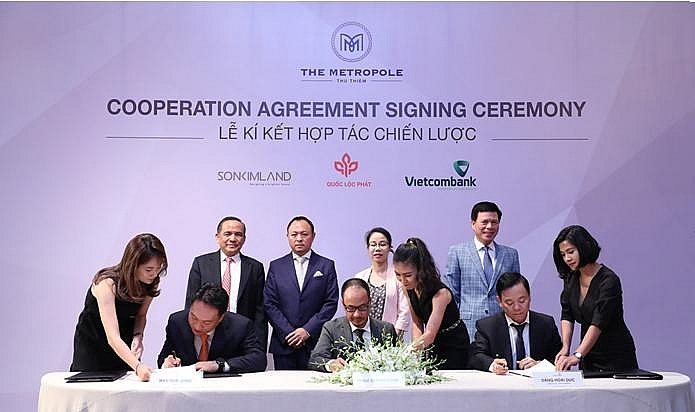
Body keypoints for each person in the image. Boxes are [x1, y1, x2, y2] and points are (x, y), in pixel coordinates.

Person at [70, 233, 167, 381]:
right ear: (133, 265)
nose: (154, 274)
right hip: (95, 342)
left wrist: (138, 337)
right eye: (148, 269)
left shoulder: (151, 282)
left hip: (123, 344)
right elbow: (112, 337)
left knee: (126, 385)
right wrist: (138, 366)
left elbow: (141, 315)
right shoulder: (106, 283)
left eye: (158, 268)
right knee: (93, 386)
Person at [553, 225, 638, 372]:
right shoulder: (571, 278)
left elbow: (598, 322)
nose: (567, 258)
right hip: (588, 353)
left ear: (584, 247)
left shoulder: (609, 280)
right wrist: (565, 347)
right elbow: (567, 314)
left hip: (615, 355)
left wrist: (578, 354)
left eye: (571, 252)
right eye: (563, 254)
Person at [264, 216, 339, 370]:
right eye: (294, 234)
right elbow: (269, 303)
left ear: (313, 236)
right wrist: (289, 332)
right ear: (287, 236)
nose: (299, 238)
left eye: (304, 234)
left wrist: (307, 330)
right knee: (284, 385)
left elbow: (330, 303)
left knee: (316, 385)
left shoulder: (326, 265)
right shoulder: (276, 266)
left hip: (315, 343)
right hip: (284, 343)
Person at [184, 216, 267, 348]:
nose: (233, 239)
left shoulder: (255, 267)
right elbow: (191, 302)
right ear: (217, 237)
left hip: (242, 337)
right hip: (207, 336)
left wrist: (259, 346)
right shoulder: (201, 263)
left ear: (244, 239)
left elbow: (260, 311)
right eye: (227, 234)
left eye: (238, 234)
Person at [445, 201, 521, 339]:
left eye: (494, 222)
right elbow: (452, 295)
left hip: (502, 326)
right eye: (484, 222)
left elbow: (515, 293)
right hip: (468, 328)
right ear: (473, 224)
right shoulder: (457, 252)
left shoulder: (510, 254)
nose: (489, 226)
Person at [394, 237, 470, 369]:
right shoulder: (407, 288)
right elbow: (417, 323)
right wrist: (417, 352)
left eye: (408, 275)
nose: (403, 280)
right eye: (398, 275)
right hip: (429, 342)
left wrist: (407, 351)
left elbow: (430, 334)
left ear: (420, 270)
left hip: (453, 344)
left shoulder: (441, 294)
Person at [158, 284, 266, 373]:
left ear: (221, 318)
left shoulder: (240, 326)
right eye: (193, 317)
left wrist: (219, 365)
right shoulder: (176, 322)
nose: (197, 326)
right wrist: (167, 362)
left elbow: (258, 359)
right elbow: (164, 356)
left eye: (206, 322)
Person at [470, 272, 562, 374]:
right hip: (503, 381)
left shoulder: (546, 324)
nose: (517, 308)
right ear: (499, 301)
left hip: (535, 382)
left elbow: (560, 359)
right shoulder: (487, 326)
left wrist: (540, 365)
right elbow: (476, 356)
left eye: (522, 301)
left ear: (529, 297)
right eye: (509, 303)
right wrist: (492, 365)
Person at [309, 278, 398, 372]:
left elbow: (398, 360)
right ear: (343, 304)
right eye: (351, 308)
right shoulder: (332, 328)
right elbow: (315, 359)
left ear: (370, 302)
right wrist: (331, 364)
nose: (357, 314)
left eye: (362, 307)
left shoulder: (386, 329)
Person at [353, 227, 410, 339]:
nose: (377, 248)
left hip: (390, 339)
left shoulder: (398, 277)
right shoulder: (359, 277)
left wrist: (392, 339)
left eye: (382, 244)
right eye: (373, 244)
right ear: (368, 248)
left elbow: (404, 312)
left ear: (389, 248)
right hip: (362, 337)